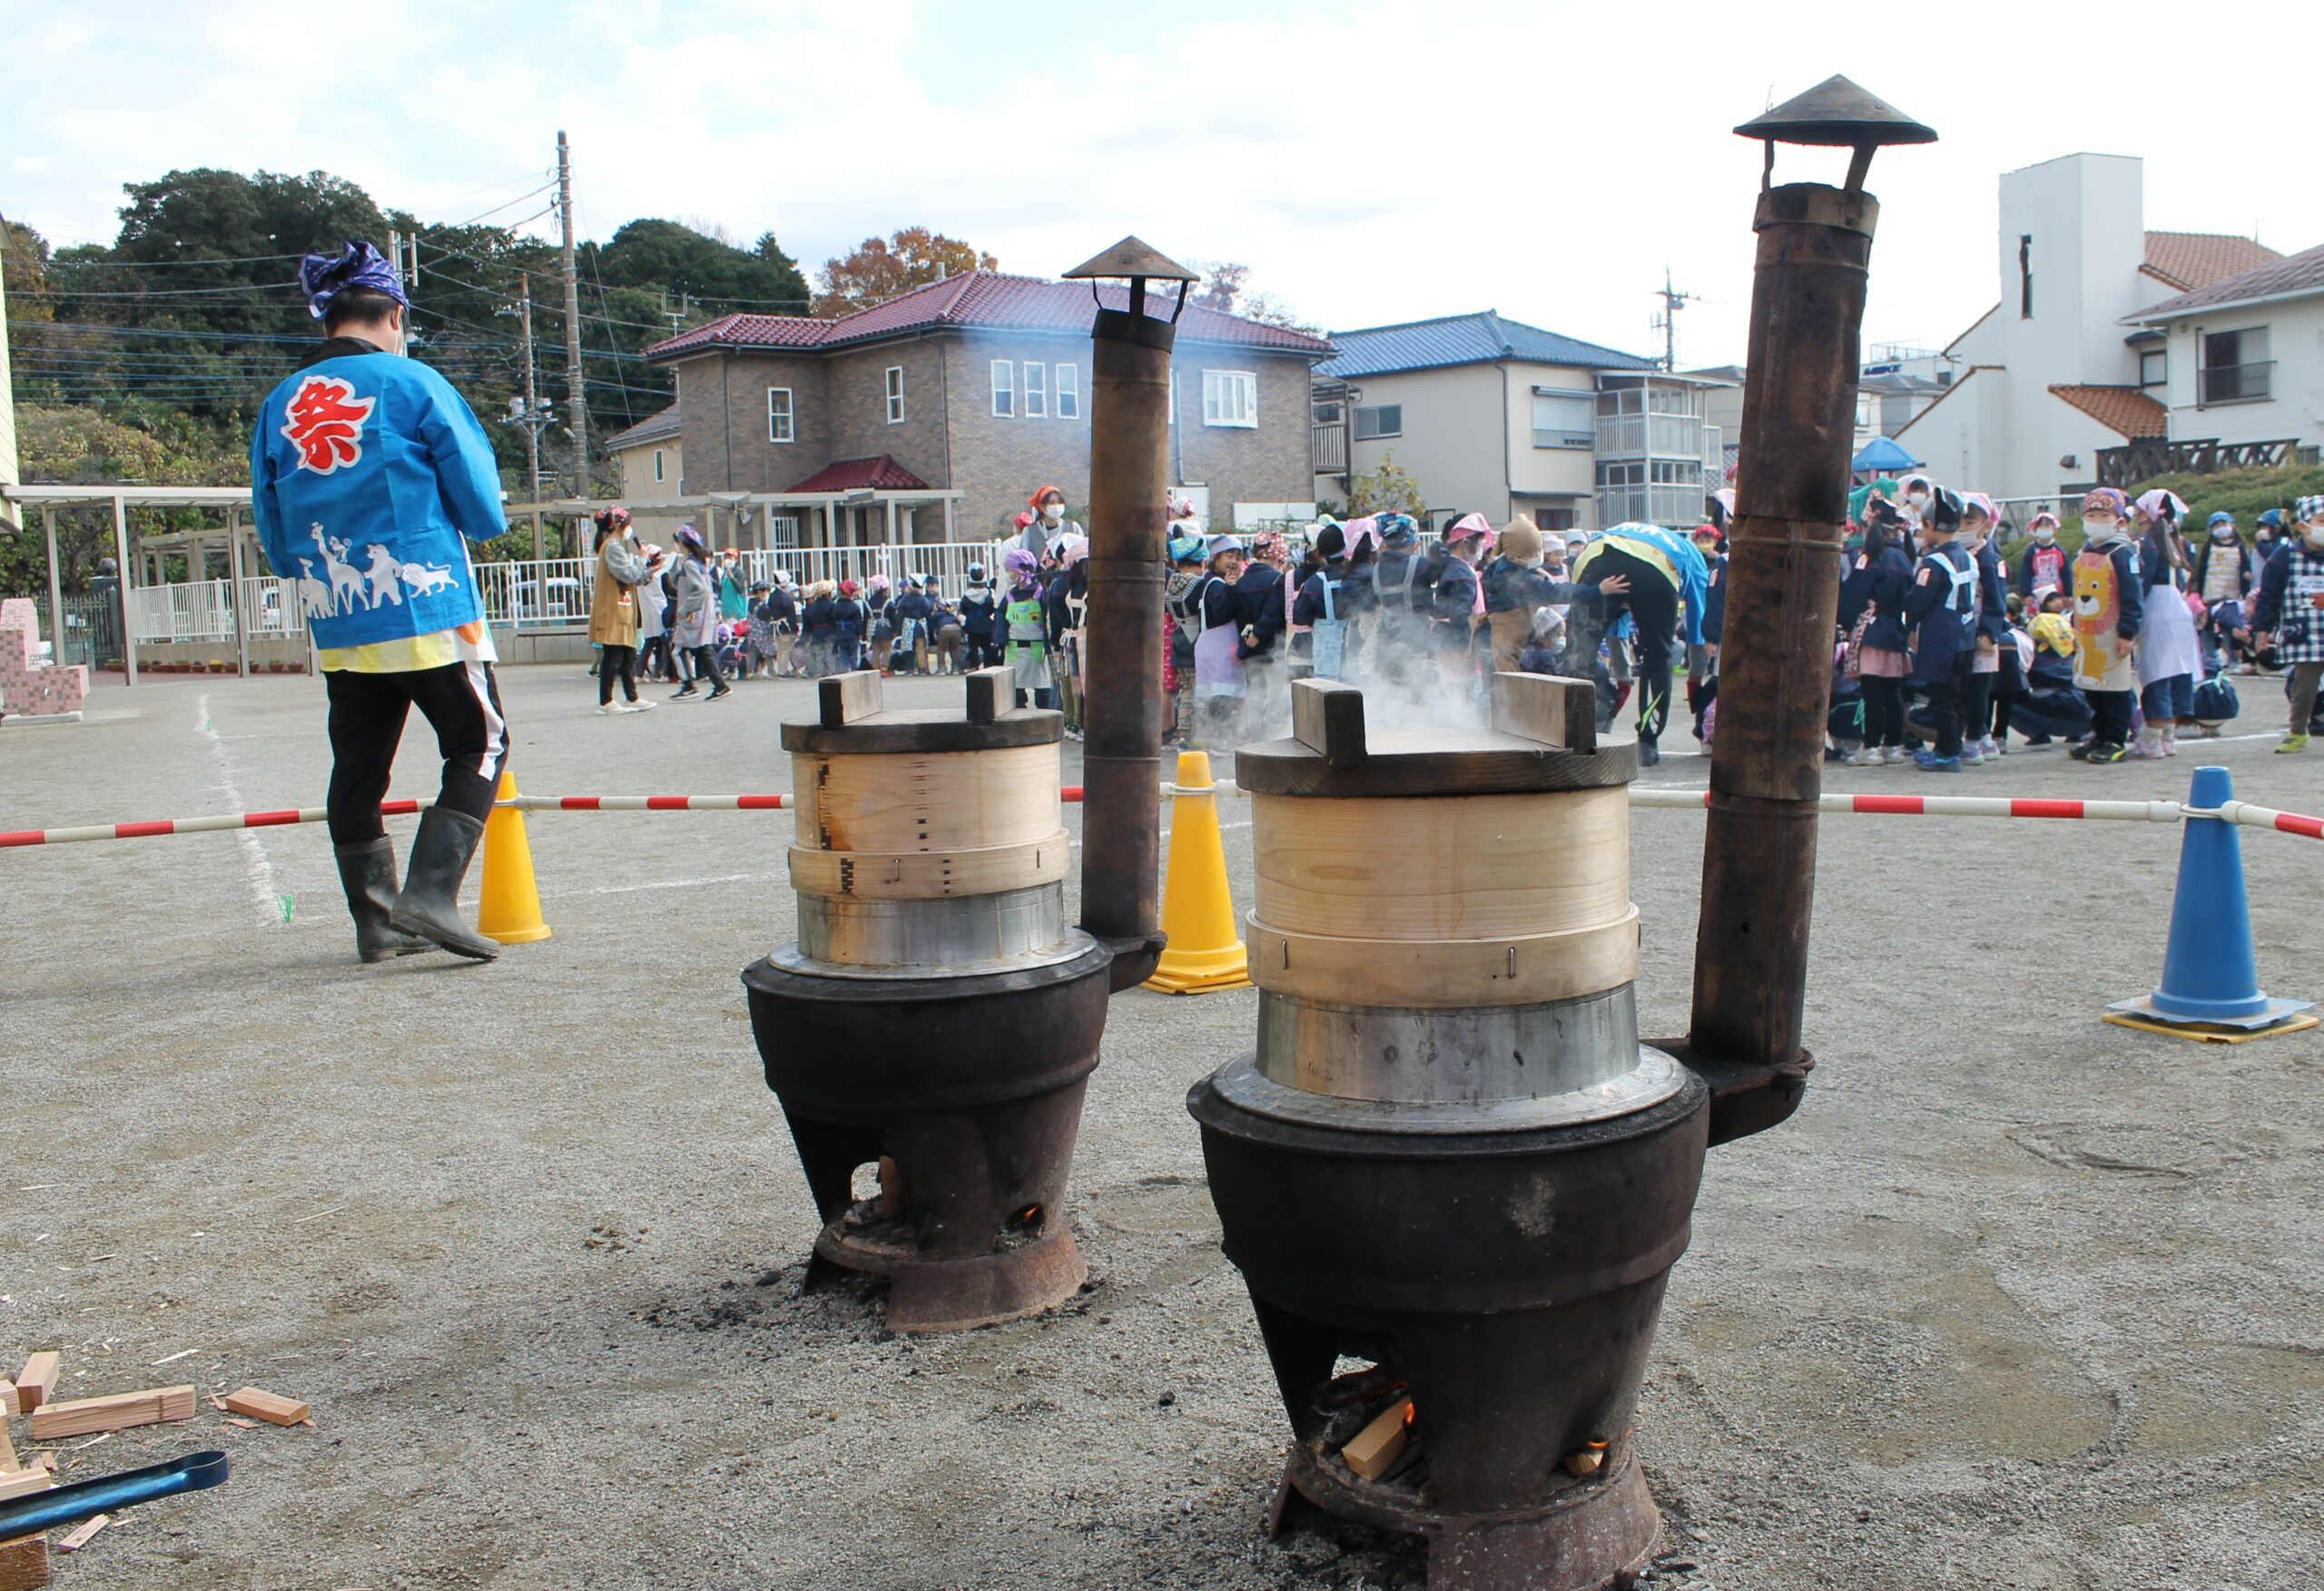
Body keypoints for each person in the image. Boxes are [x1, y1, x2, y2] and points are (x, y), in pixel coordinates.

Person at [250, 241, 508, 962]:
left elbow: (271, 527)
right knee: (480, 740)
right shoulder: (411, 382)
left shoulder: (278, 404)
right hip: (428, 610)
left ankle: (376, 920)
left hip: (340, 617)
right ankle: (429, 894)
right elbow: (481, 503)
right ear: (393, 314)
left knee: (359, 765)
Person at [1563, 522, 1710, 766]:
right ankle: (1648, 739)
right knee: (1658, 657)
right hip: (1655, 570)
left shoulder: (1615, 531)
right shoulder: (1688, 550)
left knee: (1577, 653)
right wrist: (1695, 677)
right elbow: (1698, 617)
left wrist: (1622, 674)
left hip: (1596, 559)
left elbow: (1616, 616)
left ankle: (1576, 732)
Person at [1902, 486, 1977, 771]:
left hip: (1941, 639)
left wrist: (1908, 622)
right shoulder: (1968, 556)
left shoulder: (1934, 562)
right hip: (1965, 636)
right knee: (1957, 696)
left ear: (1931, 526)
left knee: (1941, 696)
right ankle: (1954, 746)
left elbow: (1918, 600)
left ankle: (1947, 751)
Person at [2067, 488, 2143, 764]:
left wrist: (2128, 632)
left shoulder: (2123, 554)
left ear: (2119, 519)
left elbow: (2132, 596)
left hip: (2112, 632)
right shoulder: (2084, 551)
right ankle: (2098, 734)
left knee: (2114, 687)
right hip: (2087, 632)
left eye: (2104, 515)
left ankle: (2115, 738)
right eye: (2091, 515)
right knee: (2092, 687)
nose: (2097, 520)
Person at [1838, 510, 1915, 764]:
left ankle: (1871, 747)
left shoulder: (1871, 558)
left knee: (1872, 693)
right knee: (1892, 692)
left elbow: (1854, 593)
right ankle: (1893, 746)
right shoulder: (1904, 558)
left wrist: (1846, 621)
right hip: (1896, 629)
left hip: (1871, 628)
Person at [2250, 494, 2324, 752]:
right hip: (2306, 631)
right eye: (2322, 521)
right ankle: (2298, 731)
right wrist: (2262, 629)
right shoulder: (2284, 556)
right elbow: (2269, 596)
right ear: (2303, 526)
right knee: (2304, 687)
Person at [2131, 491, 2202, 758]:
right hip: (2178, 606)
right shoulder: (2175, 541)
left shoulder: (2149, 544)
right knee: (2176, 673)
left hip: (2157, 607)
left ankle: (2152, 739)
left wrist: (2132, 618)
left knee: (2156, 674)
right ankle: (2168, 738)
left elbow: (2143, 583)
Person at [589, 507, 655, 714]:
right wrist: (643, 559)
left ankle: (632, 697)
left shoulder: (612, 546)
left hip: (622, 607)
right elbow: (628, 574)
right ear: (617, 525)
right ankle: (606, 701)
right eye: (627, 524)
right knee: (613, 655)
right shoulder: (612, 547)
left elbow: (633, 575)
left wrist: (646, 570)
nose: (629, 529)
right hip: (614, 608)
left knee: (628, 653)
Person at [1960, 493, 2011, 761]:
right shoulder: (1959, 553)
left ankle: (1973, 741)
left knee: (1979, 690)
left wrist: (1989, 632)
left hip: (1981, 632)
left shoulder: (1989, 558)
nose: (1962, 527)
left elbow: (1997, 599)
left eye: (1970, 521)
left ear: (1985, 525)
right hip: (1961, 630)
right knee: (1965, 688)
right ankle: (1982, 737)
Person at [1187, 535, 1248, 747]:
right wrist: (1232, 590)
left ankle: (1214, 741)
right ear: (1216, 557)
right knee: (1224, 700)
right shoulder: (1217, 585)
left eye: (1238, 557)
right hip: (1219, 651)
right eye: (1229, 555)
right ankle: (1222, 744)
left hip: (1211, 648)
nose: (1234, 561)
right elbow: (1221, 613)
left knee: (1215, 699)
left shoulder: (1211, 581)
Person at [2016, 591, 2093, 747]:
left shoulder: (2034, 656)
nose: (2058, 602)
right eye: (2052, 599)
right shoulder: (2075, 655)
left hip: (2053, 715)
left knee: (2010, 703)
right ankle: (2076, 734)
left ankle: (2038, 734)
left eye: (2058, 598)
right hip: (2085, 717)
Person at [666, 525, 731, 702]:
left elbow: (698, 590)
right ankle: (720, 685)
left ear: (683, 542)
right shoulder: (696, 563)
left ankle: (689, 685)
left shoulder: (689, 564)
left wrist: (683, 609)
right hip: (704, 612)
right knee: (704, 649)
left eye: (677, 541)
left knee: (677, 649)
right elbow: (678, 581)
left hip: (693, 613)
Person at [1047, 538, 1092, 734]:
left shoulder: (1064, 586)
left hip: (1069, 639)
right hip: (1084, 640)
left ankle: (1072, 721)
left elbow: (1057, 617)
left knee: (1071, 679)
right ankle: (1081, 723)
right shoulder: (1088, 589)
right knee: (1084, 681)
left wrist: (1055, 639)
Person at [1003, 548, 1055, 709]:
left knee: (1042, 681)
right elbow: (1001, 617)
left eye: (1009, 569)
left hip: (1037, 646)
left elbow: (1048, 618)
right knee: (1015, 683)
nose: (1008, 573)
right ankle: (1019, 705)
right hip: (1013, 646)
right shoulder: (1010, 595)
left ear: (1019, 569)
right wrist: (1000, 638)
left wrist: (1049, 641)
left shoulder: (1040, 592)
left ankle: (1045, 708)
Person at [960, 562, 1002, 669]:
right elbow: (991, 608)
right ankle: (988, 665)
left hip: (972, 625)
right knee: (987, 646)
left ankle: (974, 666)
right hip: (986, 624)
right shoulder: (988, 594)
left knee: (973, 647)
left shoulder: (967, 595)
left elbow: (963, 609)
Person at [1024, 485, 1080, 562]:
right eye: (1052, 503)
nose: (1057, 506)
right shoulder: (1030, 531)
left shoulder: (1073, 527)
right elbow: (1023, 560)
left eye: (1059, 502)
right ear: (1042, 506)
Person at [800, 579, 839, 676]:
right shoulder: (832, 605)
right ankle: (831, 672)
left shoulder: (812, 607)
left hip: (816, 634)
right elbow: (834, 620)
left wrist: (804, 637)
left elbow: (808, 624)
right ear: (828, 593)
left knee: (819, 655)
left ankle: (819, 672)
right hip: (829, 632)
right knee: (830, 654)